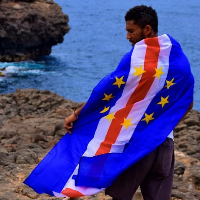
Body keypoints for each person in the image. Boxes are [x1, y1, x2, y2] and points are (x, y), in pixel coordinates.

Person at [64, 5, 193, 200]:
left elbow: (108, 93)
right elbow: (188, 103)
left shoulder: (137, 59)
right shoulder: (177, 59)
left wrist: (77, 114)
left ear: (147, 29)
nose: (127, 37)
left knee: (119, 197)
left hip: (135, 143)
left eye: (131, 31)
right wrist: (163, 126)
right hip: (165, 144)